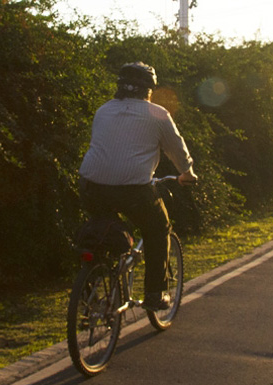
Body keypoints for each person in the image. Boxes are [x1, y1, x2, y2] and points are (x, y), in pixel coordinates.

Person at [78, 62, 198, 311]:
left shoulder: (103, 110)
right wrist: (187, 173)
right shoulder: (157, 114)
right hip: (134, 191)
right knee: (158, 228)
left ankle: (92, 281)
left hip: (91, 186)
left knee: (101, 230)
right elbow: (177, 149)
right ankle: (155, 293)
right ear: (149, 89)